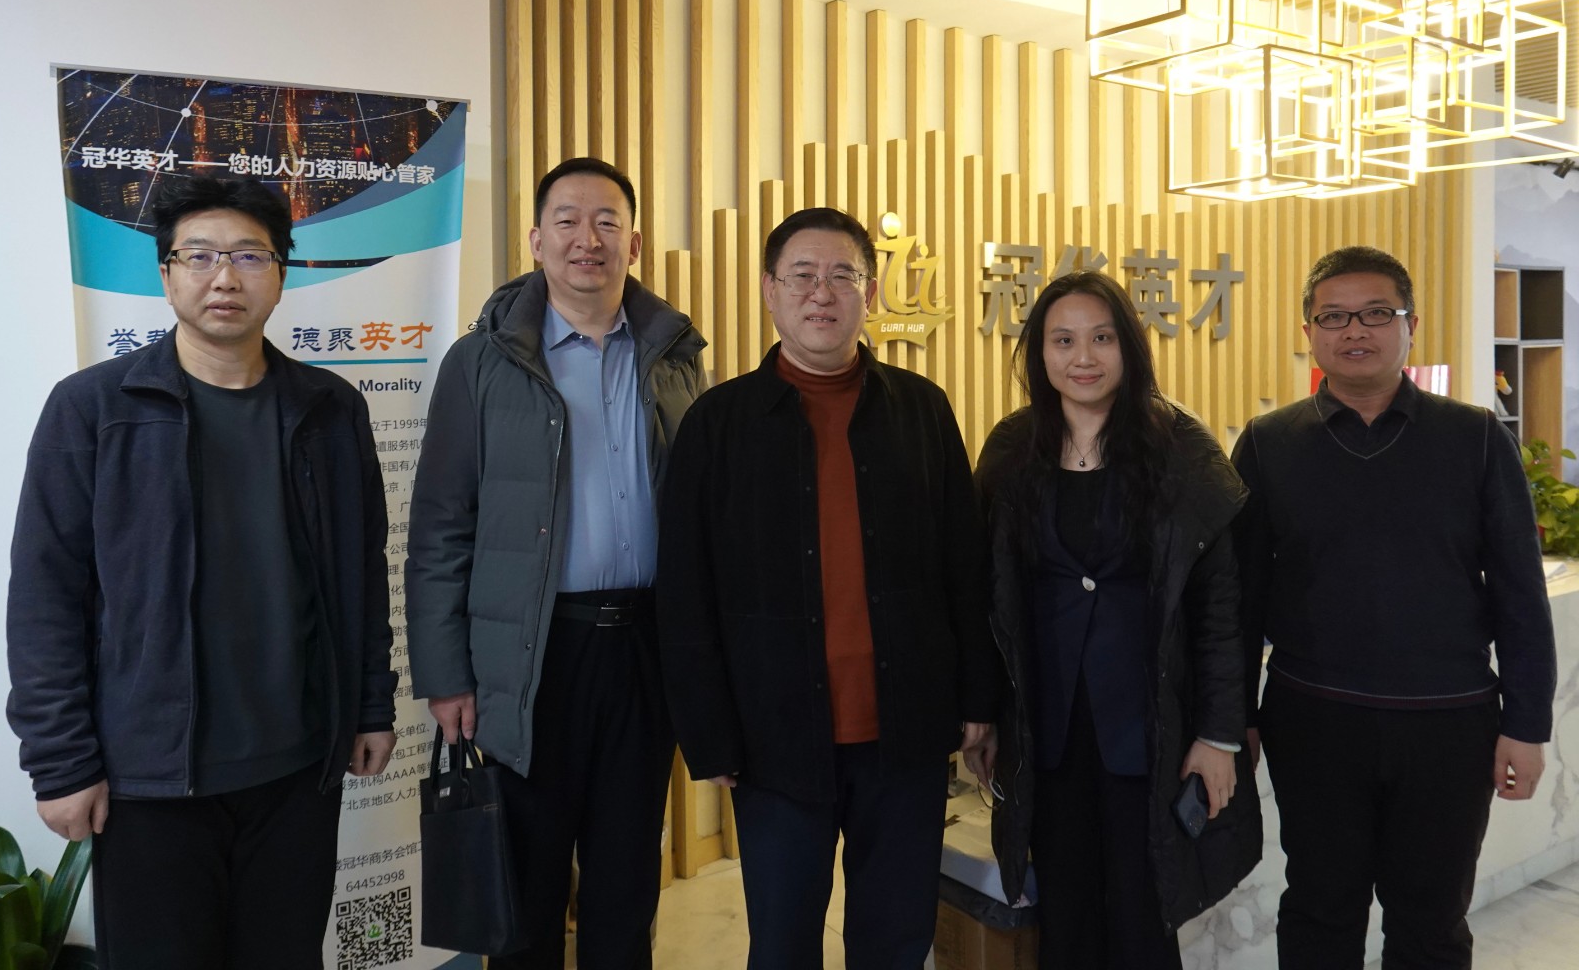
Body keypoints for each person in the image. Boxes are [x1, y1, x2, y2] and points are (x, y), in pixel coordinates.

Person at [7, 176, 397, 969]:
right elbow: (46, 596)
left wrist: (370, 705)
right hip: (150, 781)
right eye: (200, 256)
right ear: (166, 275)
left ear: (281, 276)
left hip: (296, 771)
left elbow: (361, 573)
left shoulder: (331, 409)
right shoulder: (93, 409)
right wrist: (61, 761)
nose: (225, 277)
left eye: (250, 256)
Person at [656, 206, 1000, 970]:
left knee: (896, 940)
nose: (822, 293)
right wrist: (707, 730)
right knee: (783, 945)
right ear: (770, 291)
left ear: (869, 294)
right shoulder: (718, 423)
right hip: (773, 737)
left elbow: (964, 566)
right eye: (803, 276)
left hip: (905, 733)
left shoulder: (921, 408)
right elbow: (685, 590)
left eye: (842, 276)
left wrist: (979, 698)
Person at [405, 157, 706, 970]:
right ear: (536, 241)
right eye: (567, 220)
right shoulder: (481, 361)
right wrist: (446, 675)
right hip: (530, 655)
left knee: (627, 883)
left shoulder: (675, 358)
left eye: (607, 222)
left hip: (643, 650)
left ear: (633, 244)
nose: (587, 239)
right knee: (526, 892)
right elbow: (439, 529)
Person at [1233, 245, 1558, 970]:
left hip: (1449, 723)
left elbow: (1519, 592)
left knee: (1432, 920)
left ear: (1411, 324)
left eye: (1377, 313)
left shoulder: (1475, 437)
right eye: (1334, 317)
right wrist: (1235, 717)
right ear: (1309, 331)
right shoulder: (1269, 443)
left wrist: (1526, 724)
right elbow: (1240, 598)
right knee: (1319, 907)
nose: (1355, 330)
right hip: (1313, 718)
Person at [967, 270, 1262, 970]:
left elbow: (1222, 611)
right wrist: (983, 713)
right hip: (1048, 726)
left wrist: (1219, 734)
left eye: (1101, 338)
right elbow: (986, 599)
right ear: (1039, 353)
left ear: (1129, 347)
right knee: (1065, 912)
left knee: (1142, 914)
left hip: (1152, 726)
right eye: (1063, 340)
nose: (1083, 357)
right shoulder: (1012, 451)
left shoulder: (1182, 451)